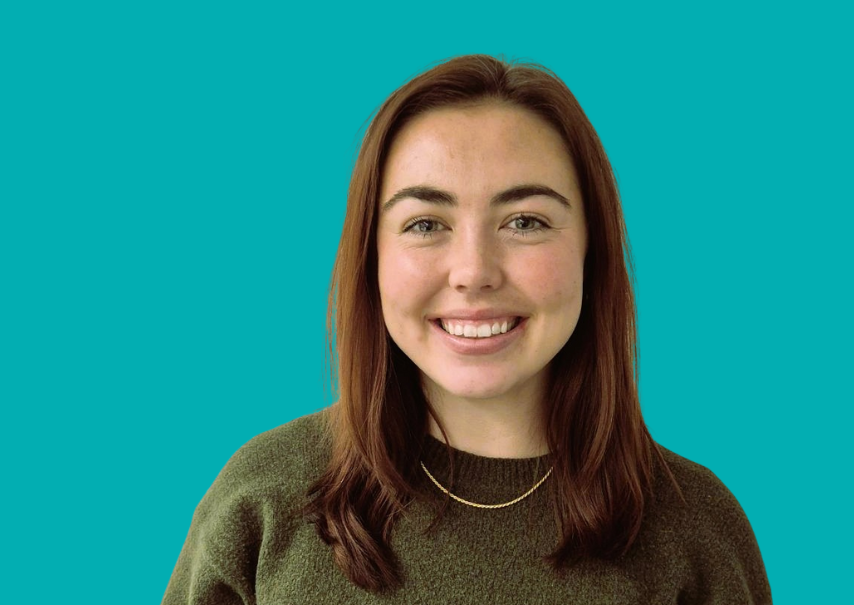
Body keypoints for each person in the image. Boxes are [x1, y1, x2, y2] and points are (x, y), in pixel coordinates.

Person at [162, 54, 771, 604]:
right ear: (372, 257)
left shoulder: (697, 533)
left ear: (592, 251)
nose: (474, 272)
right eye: (426, 224)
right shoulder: (262, 502)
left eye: (525, 221)